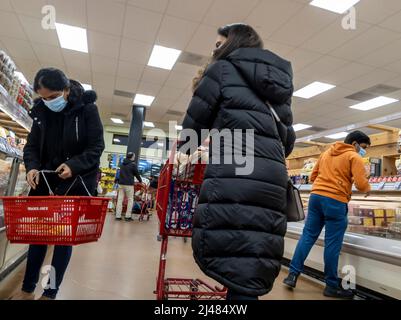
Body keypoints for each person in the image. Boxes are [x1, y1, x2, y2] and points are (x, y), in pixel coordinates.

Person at [179, 23, 295, 300]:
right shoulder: (279, 82)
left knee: (233, 255)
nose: (214, 49)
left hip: (235, 173)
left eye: (219, 44)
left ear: (232, 45)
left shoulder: (221, 69)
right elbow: (288, 142)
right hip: (272, 180)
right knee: (251, 257)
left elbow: (192, 132)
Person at [11, 68, 105, 300]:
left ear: (65, 90)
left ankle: (50, 292)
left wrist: (74, 165)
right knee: (38, 235)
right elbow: (31, 146)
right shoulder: (41, 112)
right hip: (44, 179)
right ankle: (27, 287)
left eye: (52, 97)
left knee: (62, 239)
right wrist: (32, 166)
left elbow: (96, 147)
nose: (48, 101)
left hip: (73, 182)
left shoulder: (87, 110)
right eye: (43, 97)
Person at [283, 131, 371, 299]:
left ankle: (292, 275)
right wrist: (366, 186)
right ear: (355, 144)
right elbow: (361, 185)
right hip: (335, 202)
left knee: (307, 236)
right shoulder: (354, 157)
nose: (363, 151)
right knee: (332, 244)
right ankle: (331, 286)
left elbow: (313, 176)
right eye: (364, 147)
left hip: (316, 198)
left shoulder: (326, 153)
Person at [115, 152, 143, 221]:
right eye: (134, 156)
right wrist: (140, 181)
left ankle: (118, 216)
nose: (134, 157)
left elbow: (119, 173)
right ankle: (128, 216)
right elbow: (137, 174)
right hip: (129, 185)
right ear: (132, 157)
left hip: (121, 184)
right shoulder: (133, 165)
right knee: (130, 200)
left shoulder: (122, 164)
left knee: (120, 200)